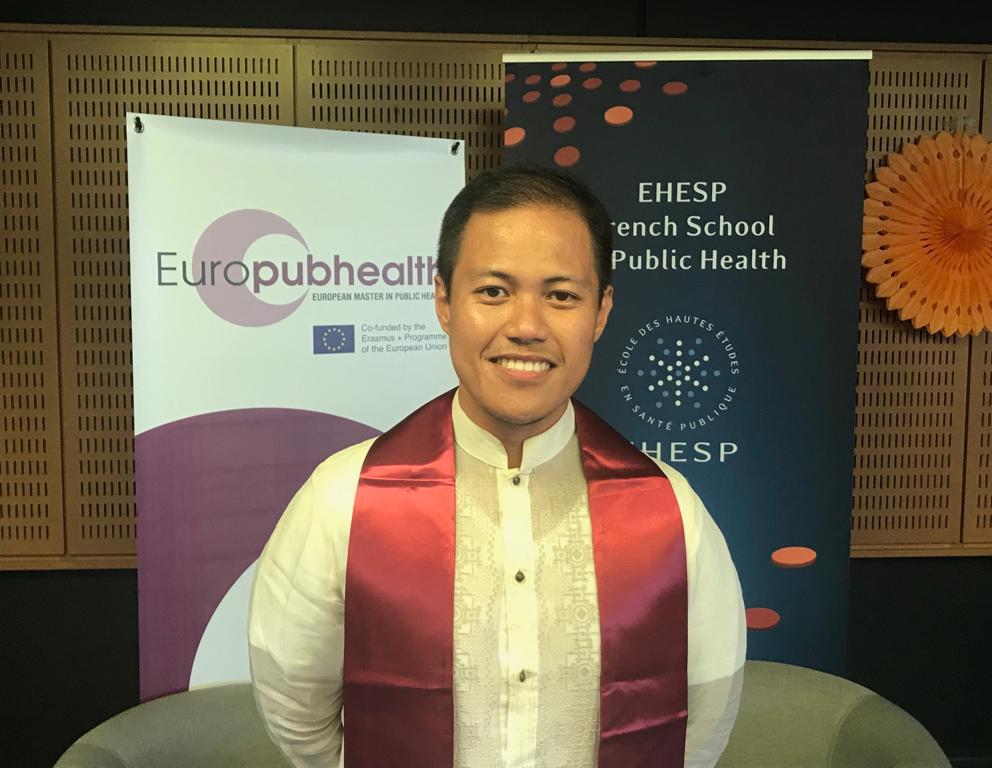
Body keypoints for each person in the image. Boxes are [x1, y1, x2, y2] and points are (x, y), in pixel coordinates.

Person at [248, 164, 746, 768]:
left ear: (601, 312)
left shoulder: (668, 511)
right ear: (444, 301)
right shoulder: (345, 499)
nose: (526, 327)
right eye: (493, 291)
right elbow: (296, 708)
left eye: (561, 295)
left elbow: (701, 723)